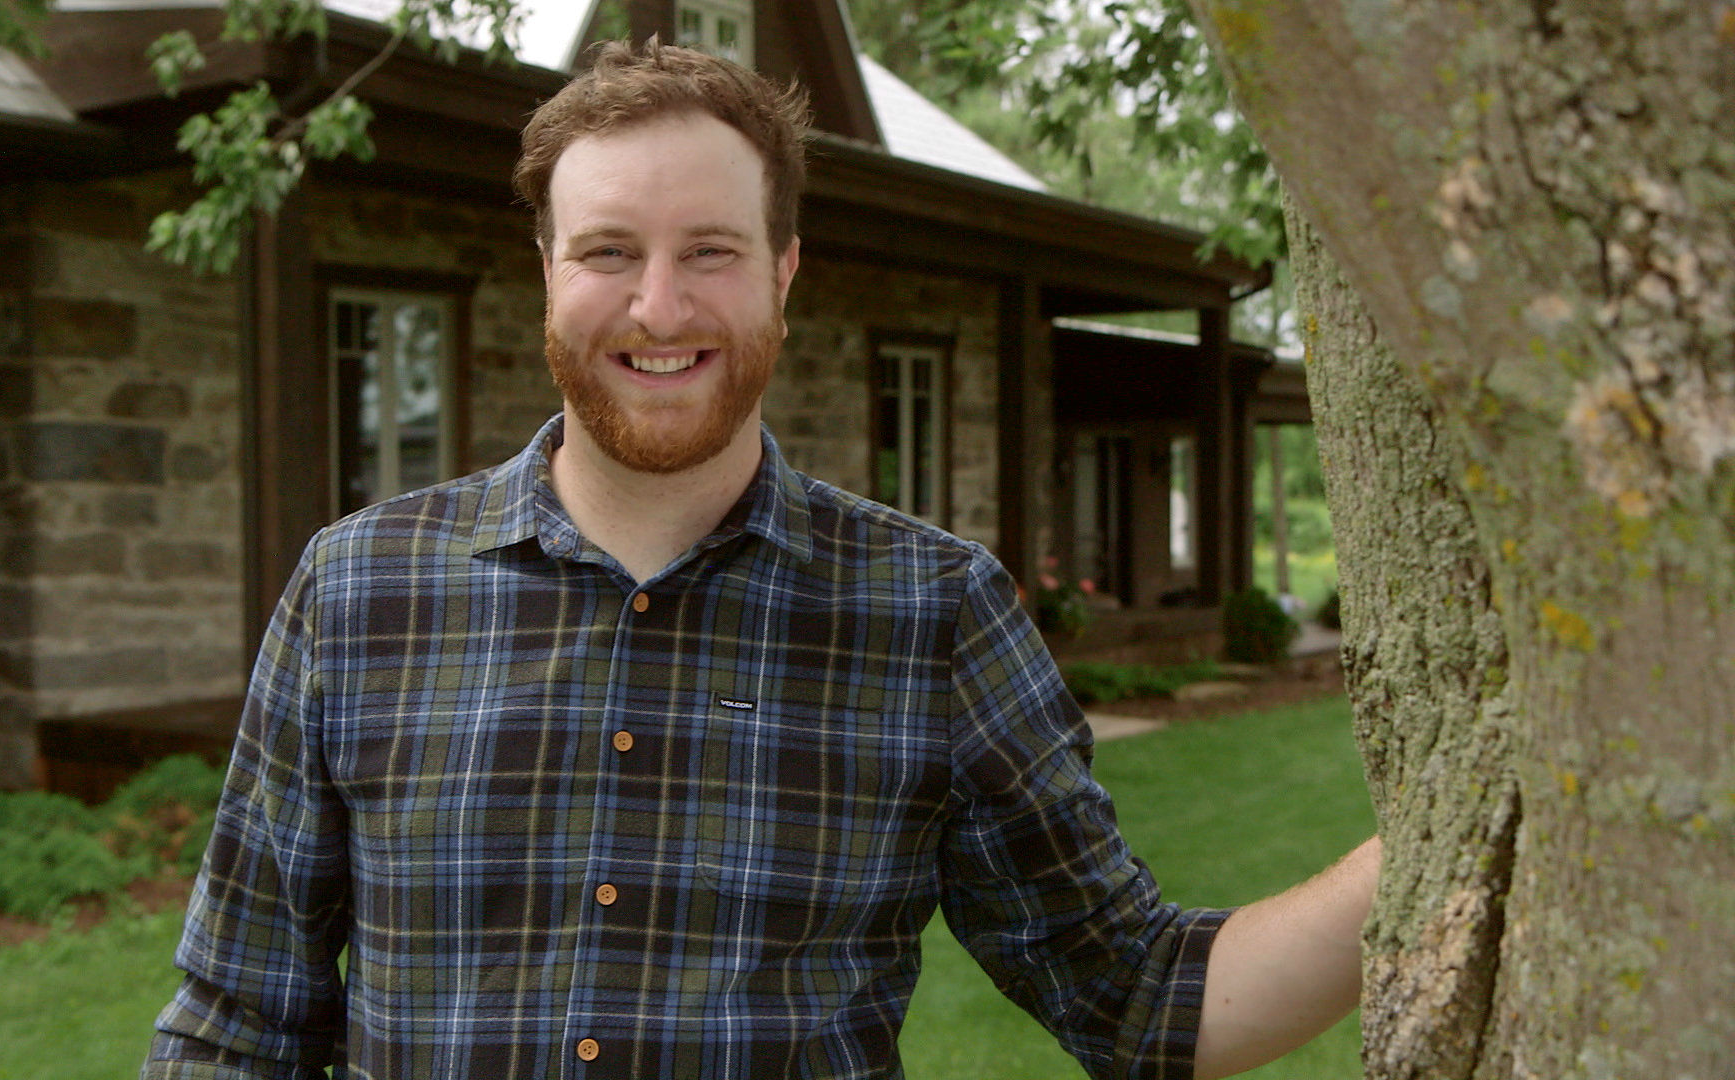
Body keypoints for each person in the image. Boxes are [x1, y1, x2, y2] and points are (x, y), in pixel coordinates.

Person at [142, 39, 1379, 1080]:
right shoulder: (359, 590)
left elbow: (1144, 994)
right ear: (549, 271)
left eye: (712, 252)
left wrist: (1443, 835)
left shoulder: (928, 612)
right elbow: (235, 1025)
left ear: (783, 275)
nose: (661, 307)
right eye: (610, 250)